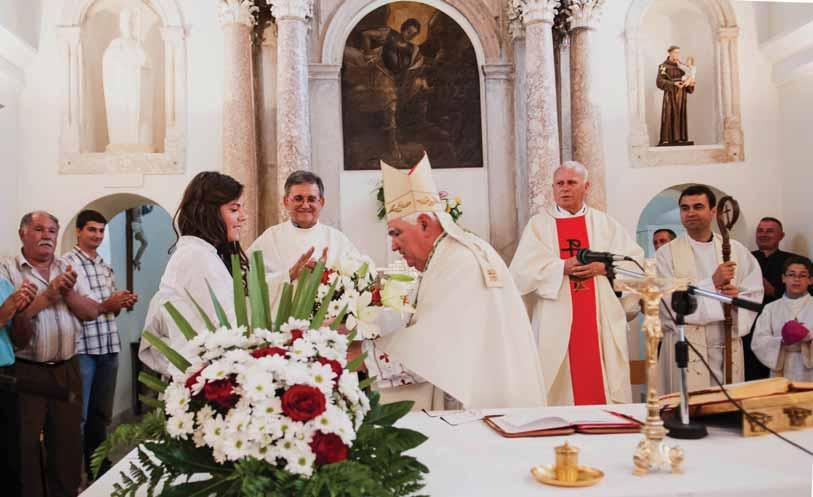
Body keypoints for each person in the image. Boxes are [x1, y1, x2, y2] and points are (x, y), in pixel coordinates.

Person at [374, 153, 546, 409]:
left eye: (396, 233)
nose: (394, 245)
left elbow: (434, 352)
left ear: (424, 223)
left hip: (481, 404)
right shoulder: (453, 255)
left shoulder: (460, 263)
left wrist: (363, 356)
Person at [509, 161, 644, 406]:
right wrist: (561, 267)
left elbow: (635, 264)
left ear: (586, 186)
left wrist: (604, 268)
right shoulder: (539, 226)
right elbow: (520, 274)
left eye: (572, 183)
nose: (565, 189)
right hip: (555, 320)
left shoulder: (606, 224)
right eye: (559, 184)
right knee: (558, 390)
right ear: (553, 188)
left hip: (598, 319)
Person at [0, 211, 108, 497]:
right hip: (26, 371)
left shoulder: (68, 266)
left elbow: (90, 312)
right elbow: (12, 326)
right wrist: (47, 297)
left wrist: (67, 292)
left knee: (68, 443)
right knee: (25, 446)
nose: (46, 235)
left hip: (67, 368)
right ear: (23, 234)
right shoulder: (8, 268)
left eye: (52, 230)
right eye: (38, 229)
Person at [656, 185, 763, 392]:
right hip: (686, 344)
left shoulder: (736, 250)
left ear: (713, 212)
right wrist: (711, 284)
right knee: (689, 409)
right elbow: (665, 302)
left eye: (698, 206)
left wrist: (737, 298)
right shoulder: (666, 254)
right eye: (685, 208)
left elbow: (754, 294)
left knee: (726, 411)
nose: (691, 213)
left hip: (727, 341)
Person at [139, 172, 248, 374]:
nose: (243, 216)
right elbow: (229, 324)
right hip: (201, 373)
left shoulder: (204, 254)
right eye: (234, 209)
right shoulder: (196, 257)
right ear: (210, 212)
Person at [62, 210, 138, 479]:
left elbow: (109, 311)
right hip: (83, 349)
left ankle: (98, 466)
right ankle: (75, 472)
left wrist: (122, 302)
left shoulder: (106, 266)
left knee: (100, 415)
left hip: (108, 346)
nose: (97, 235)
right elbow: (83, 308)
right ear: (79, 232)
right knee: (78, 417)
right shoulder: (66, 265)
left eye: (101, 231)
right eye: (91, 230)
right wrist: (109, 304)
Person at [249, 171, 360, 286]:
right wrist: (290, 274)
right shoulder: (271, 238)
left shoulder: (337, 240)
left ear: (321, 202)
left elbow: (359, 278)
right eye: (298, 199)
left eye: (311, 199)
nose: (305, 205)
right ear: (286, 201)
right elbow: (248, 280)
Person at [746, 217, 802, 380]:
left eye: (769, 231)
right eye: (760, 231)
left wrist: (773, 291)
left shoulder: (794, 261)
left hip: (780, 325)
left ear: (781, 235)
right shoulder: (746, 259)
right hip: (749, 326)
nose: (763, 235)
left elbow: (802, 294)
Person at [0, 278, 36, 497]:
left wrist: (21, 311)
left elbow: (21, 340)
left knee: (10, 457)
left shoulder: (3, 284)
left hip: (6, 374)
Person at [752, 256, 813, 382]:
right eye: (791, 274)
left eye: (802, 275)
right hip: (781, 368)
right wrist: (782, 340)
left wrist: (808, 337)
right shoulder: (770, 308)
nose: (796, 279)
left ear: (810, 280)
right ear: (783, 278)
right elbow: (758, 342)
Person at [657, 45, 695, 146]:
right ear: (669, 53)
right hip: (670, 95)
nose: (677, 54)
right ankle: (667, 139)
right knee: (669, 114)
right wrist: (673, 84)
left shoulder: (682, 66)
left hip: (681, 95)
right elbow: (659, 82)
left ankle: (680, 138)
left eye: (678, 52)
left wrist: (690, 84)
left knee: (680, 114)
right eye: (675, 52)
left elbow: (689, 77)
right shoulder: (663, 66)